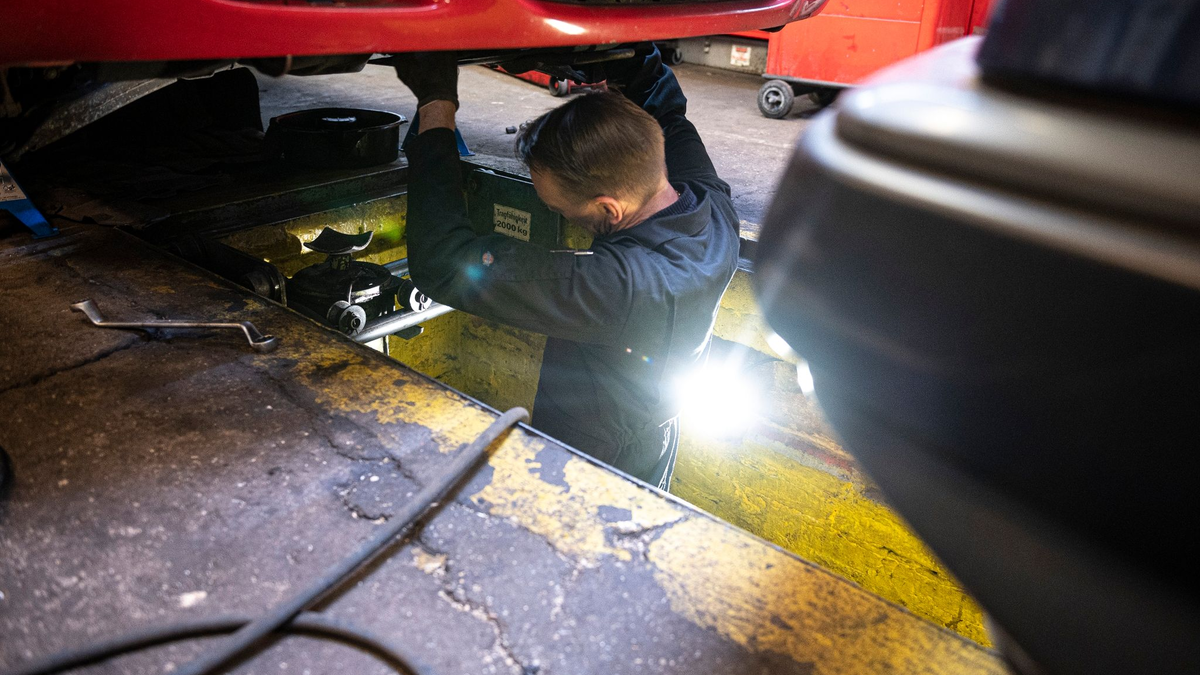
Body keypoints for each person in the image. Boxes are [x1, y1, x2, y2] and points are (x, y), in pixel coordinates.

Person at [393, 47, 739, 490]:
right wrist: (619, 55)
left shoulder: (619, 287)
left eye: (559, 208)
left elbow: (443, 260)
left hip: (594, 465)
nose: (554, 211)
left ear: (609, 209)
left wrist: (436, 106)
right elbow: (666, 110)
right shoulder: (712, 208)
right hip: (655, 433)